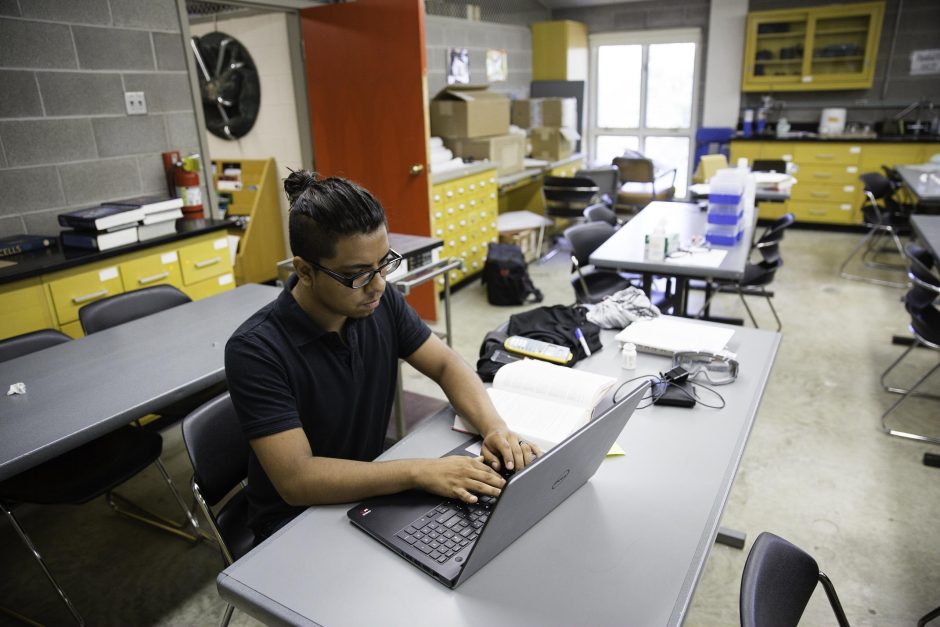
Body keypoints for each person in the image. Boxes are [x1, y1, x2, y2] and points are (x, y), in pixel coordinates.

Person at [225, 171, 539, 545]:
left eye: (383, 264)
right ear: (304, 271)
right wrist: (419, 472)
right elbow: (297, 480)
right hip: (294, 523)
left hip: (368, 492)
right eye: (357, 275)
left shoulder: (378, 302)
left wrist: (493, 427)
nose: (377, 285)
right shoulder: (256, 350)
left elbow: (445, 364)